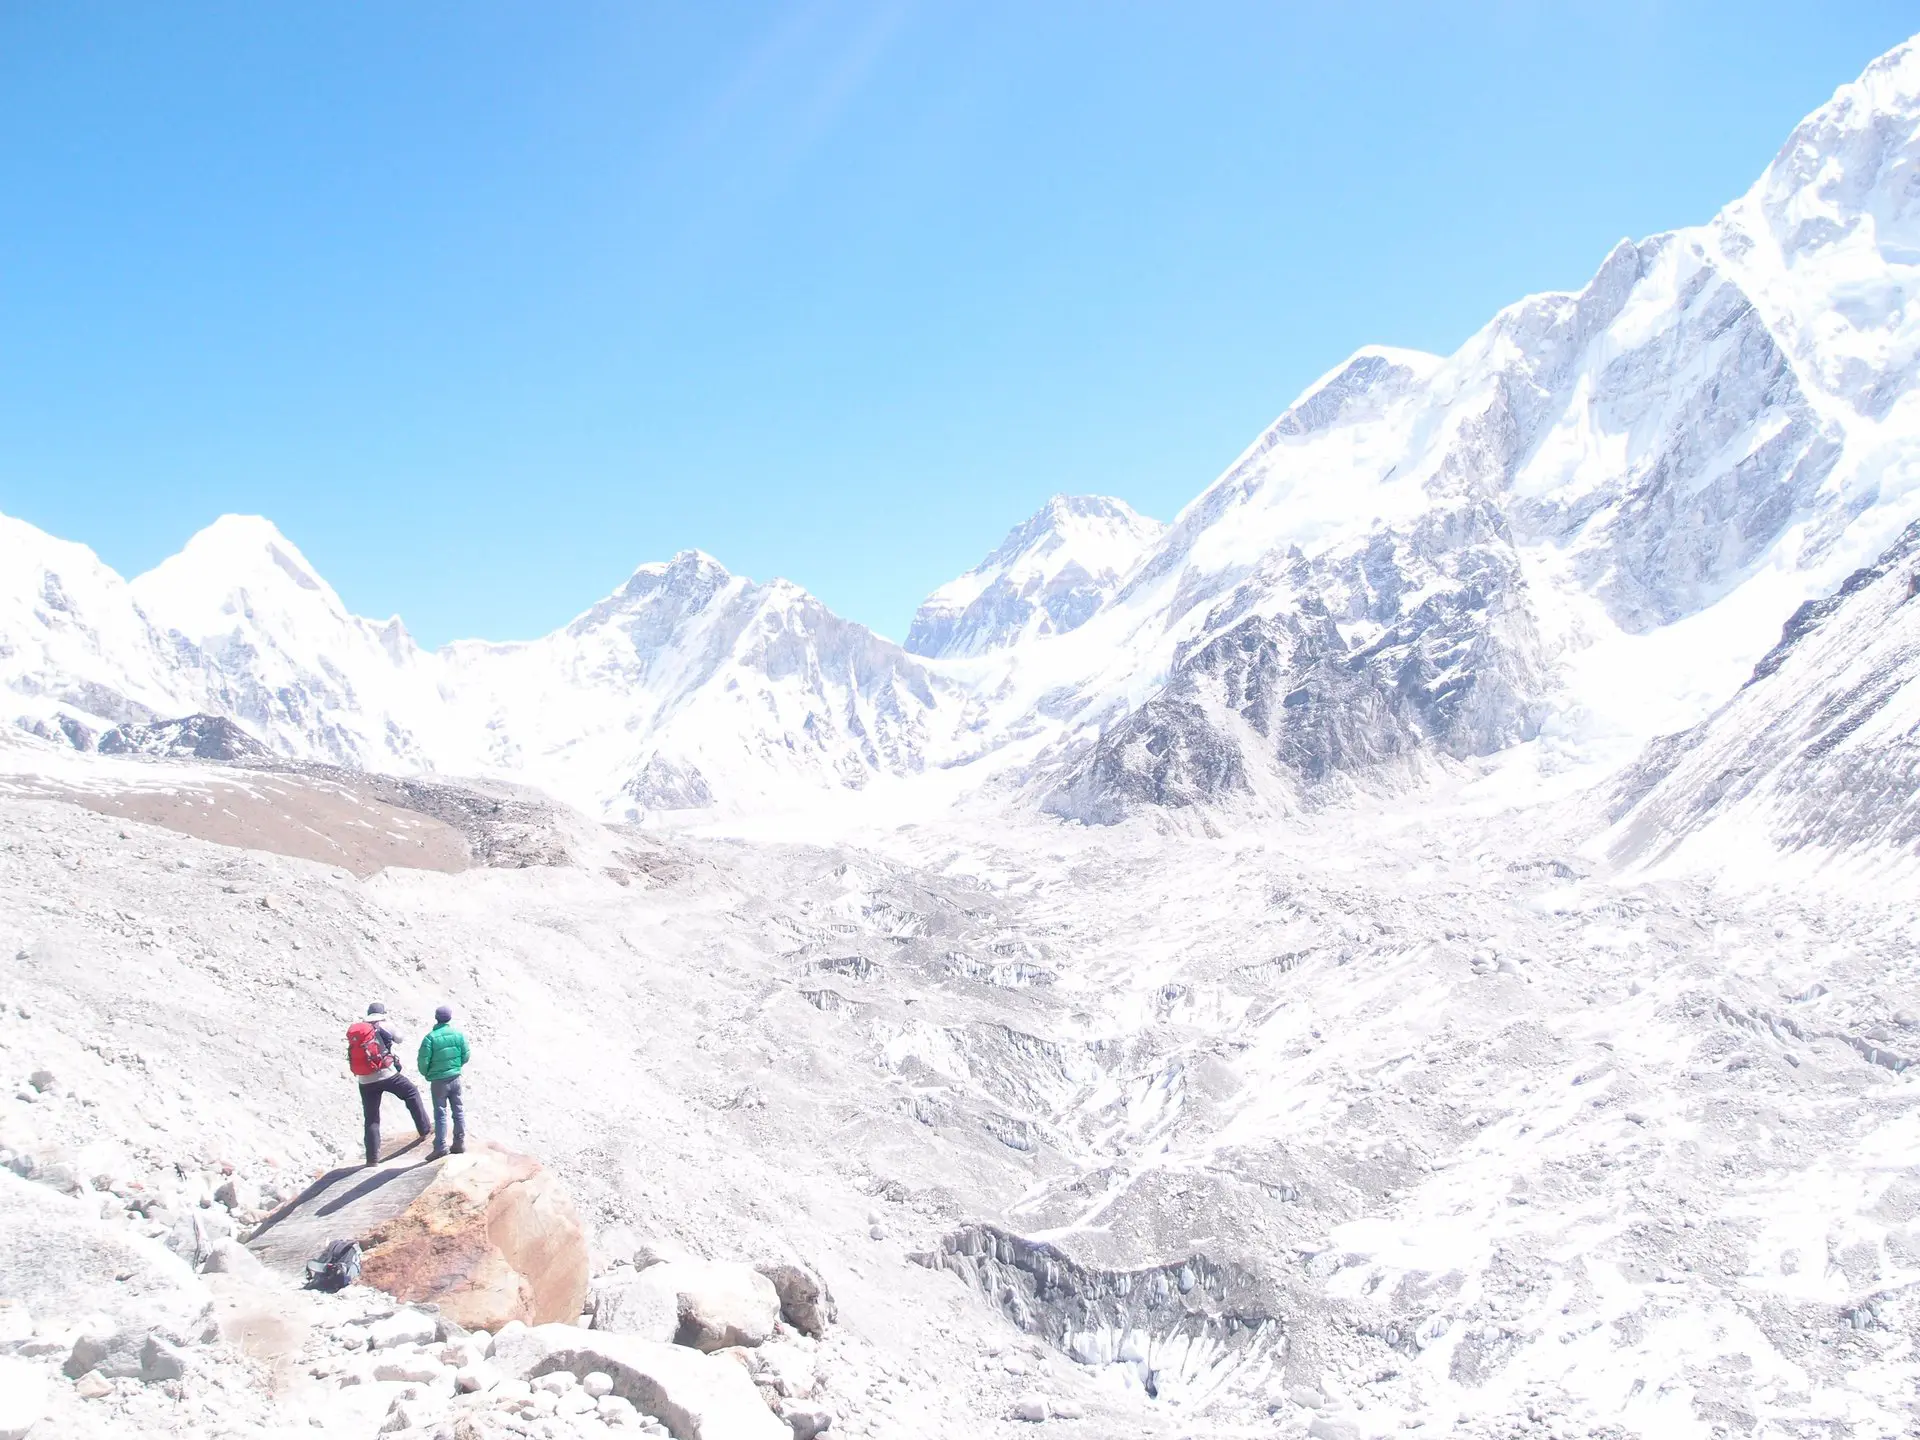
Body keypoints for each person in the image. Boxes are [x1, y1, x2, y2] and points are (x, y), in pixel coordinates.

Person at [346, 1002, 429, 1167]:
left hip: (365, 1079)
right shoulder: (385, 1024)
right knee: (411, 1092)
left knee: (371, 1118)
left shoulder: (359, 1030)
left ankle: (372, 1159)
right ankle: (425, 1130)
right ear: (383, 1013)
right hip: (386, 1074)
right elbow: (400, 1039)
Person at [417, 1004, 471, 1160]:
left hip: (438, 1081)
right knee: (458, 1110)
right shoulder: (458, 1035)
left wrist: (428, 1073)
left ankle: (440, 1146)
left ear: (436, 1017)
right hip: (455, 1078)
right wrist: (456, 1066)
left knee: (440, 1113)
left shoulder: (430, 1038)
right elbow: (466, 1055)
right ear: (450, 1018)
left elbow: (423, 1061)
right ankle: (459, 1142)